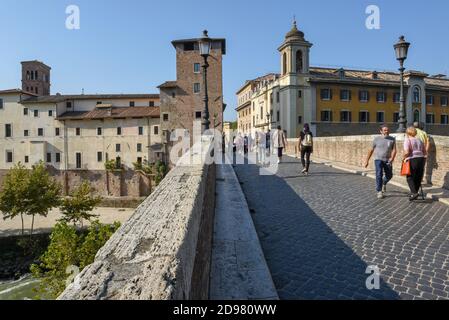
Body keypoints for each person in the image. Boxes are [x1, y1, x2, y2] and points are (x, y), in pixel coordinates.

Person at [364, 125, 397, 199]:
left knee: (389, 175)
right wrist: (367, 160)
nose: (387, 131)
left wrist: (392, 158)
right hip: (378, 159)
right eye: (385, 130)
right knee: (379, 174)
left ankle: (383, 183)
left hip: (388, 160)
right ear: (381, 131)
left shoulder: (392, 139)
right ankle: (379, 191)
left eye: (387, 130)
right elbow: (371, 150)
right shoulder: (376, 139)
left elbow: (394, 150)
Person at [403, 126, 427, 201]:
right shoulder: (419, 140)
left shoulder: (408, 140)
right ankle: (415, 193)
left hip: (413, 159)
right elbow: (424, 151)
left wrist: (403, 157)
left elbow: (407, 152)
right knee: (418, 177)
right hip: (421, 159)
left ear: (407, 132)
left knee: (409, 177)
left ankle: (414, 193)